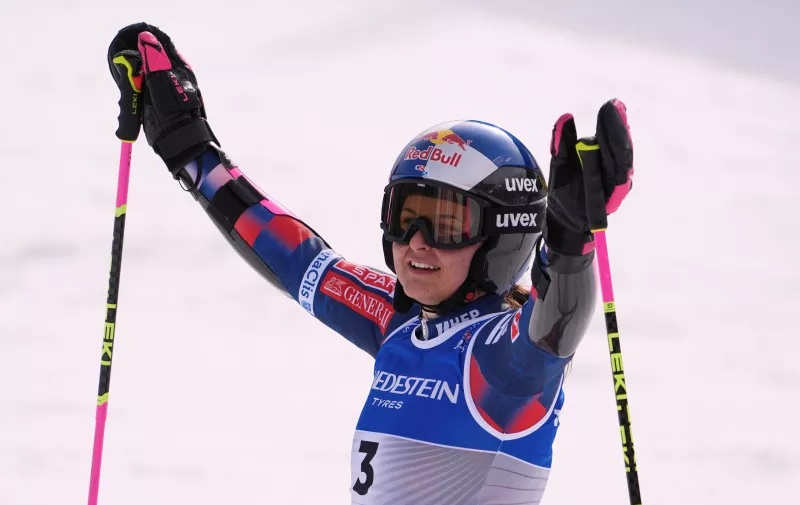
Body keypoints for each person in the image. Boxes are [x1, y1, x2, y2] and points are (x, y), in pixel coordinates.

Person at [107, 22, 634, 505]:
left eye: (447, 224)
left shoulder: (498, 362)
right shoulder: (399, 323)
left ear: (503, 238)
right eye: (405, 217)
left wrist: (568, 243)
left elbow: (552, 328)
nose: (417, 242)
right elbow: (297, 260)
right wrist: (189, 148)